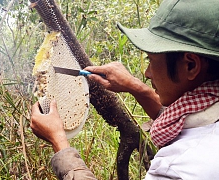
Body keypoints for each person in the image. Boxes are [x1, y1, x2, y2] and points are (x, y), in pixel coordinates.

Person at [30, 0, 219, 179]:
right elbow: (184, 123)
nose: (146, 73)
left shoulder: (178, 169)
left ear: (191, 65)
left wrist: (59, 142)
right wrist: (136, 88)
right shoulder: (208, 113)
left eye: (151, 61)